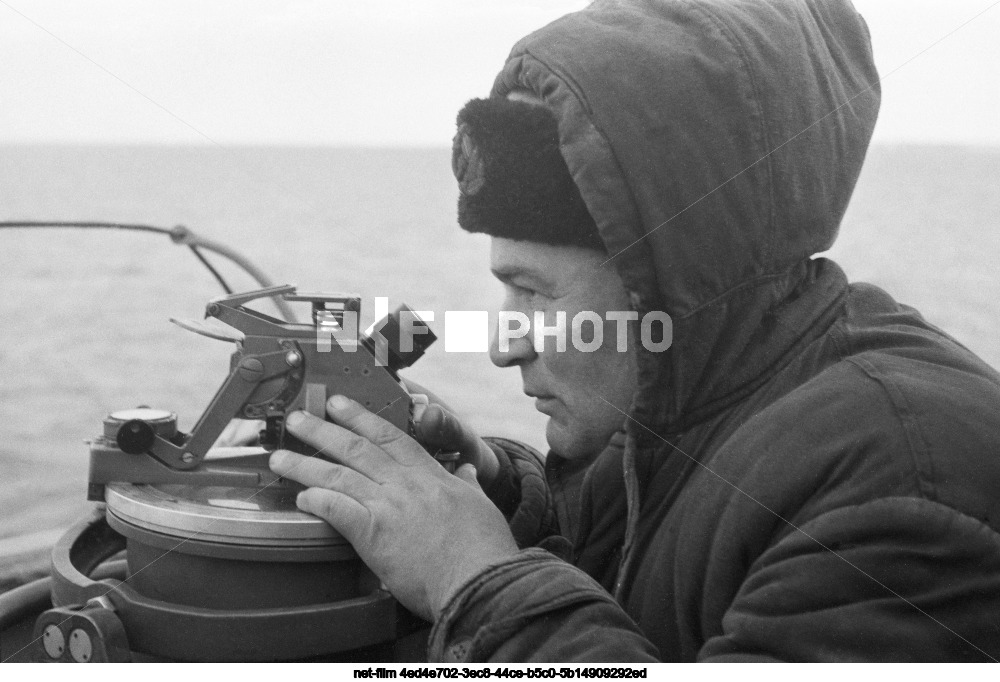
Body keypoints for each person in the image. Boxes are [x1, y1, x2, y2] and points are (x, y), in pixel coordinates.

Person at [268, 0, 1000, 662]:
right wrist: (490, 496)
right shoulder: (689, 400)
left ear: (665, 280)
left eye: (534, 294)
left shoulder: (904, 487)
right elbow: (652, 546)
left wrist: (476, 580)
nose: (502, 345)